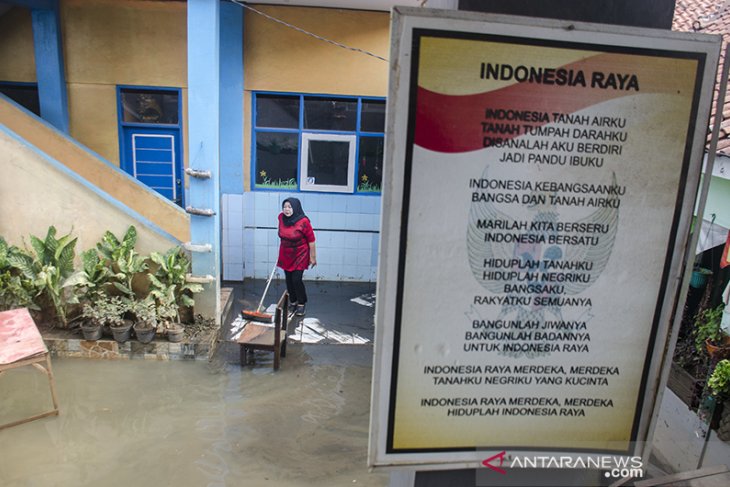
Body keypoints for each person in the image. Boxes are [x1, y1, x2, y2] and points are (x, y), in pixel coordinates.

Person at [277, 197, 317, 316]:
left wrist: (313, 257)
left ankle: (301, 303)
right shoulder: (281, 218)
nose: (286, 210)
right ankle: (293, 302)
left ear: (295, 207)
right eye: (285, 207)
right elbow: (282, 233)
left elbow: (311, 240)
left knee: (296, 279)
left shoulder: (304, 221)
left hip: (300, 253)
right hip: (286, 253)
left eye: (289, 207)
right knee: (289, 280)